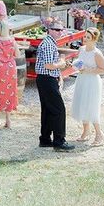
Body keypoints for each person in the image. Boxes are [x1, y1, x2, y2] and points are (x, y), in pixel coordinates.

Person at [35, 20, 75, 152]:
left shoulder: (50, 43)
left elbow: (50, 63)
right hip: (47, 79)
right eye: (56, 30)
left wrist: (60, 63)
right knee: (59, 110)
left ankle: (45, 139)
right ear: (49, 30)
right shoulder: (48, 44)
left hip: (45, 78)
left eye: (61, 29)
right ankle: (59, 141)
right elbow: (49, 65)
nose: (59, 32)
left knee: (47, 109)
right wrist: (61, 63)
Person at [71, 27, 104, 147]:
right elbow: (79, 62)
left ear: (94, 39)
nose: (85, 39)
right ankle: (86, 131)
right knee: (82, 103)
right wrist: (76, 66)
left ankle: (99, 133)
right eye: (85, 36)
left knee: (91, 106)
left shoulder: (97, 53)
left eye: (88, 37)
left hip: (92, 81)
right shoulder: (81, 49)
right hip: (82, 79)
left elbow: (103, 70)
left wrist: (88, 69)